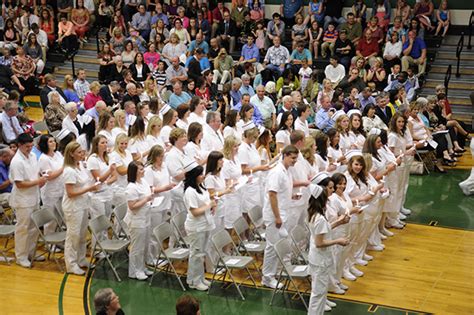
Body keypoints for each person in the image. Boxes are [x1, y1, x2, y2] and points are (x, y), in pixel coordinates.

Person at [307, 182, 349, 314]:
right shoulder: (319, 218)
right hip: (320, 260)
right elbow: (319, 243)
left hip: (318, 259)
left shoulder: (315, 213)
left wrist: (339, 222)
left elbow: (324, 230)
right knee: (317, 295)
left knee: (320, 291)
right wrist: (338, 241)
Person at [261, 144, 299, 289]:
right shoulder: (277, 172)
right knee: (272, 246)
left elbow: (282, 192)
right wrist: (277, 217)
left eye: (296, 158)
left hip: (283, 213)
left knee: (279, 245)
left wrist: (291, 196)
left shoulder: (287, 171)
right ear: (285, 156)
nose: (295, 161)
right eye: (293, 158)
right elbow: (272, 194)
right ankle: (267, 277)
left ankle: (274, 272)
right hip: (274, 216)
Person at [10, 133, 47, 268]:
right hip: (23, 200)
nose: (30, 149)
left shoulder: (32, 156)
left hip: (34, 196)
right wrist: (38, 181)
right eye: (27, 146)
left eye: (31, 146)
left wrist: (41, 178)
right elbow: (19, 184)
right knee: (23, 229)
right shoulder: (16, 162)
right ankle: (21, 256)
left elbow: (36, 173)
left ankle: (31, 252)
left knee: (33, 228)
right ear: (19, 146)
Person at [62, 141, 97, 275]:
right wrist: (89, 188)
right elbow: (71, 193)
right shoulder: (69, 171)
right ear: (71, 154)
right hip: (73, 207)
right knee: (73, 236)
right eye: (79, 152)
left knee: (82, 235)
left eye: (83, 151)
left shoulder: (80, 166)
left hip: (83, 204)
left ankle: (81, 259)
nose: (83, 154)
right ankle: (71, 264)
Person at [183, 160, 216, 291]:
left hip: (205, 224)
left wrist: (212, 206)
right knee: (196, 254)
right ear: (193, 175)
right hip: (196, 226)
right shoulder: (190, 191)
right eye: (201, 174)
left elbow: (206, 202)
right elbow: (195, 211)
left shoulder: (201, 187)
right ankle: (194, 281)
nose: (203, 176)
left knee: (201, 253)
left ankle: (200, 278)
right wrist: (209, 206)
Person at [125, 161, 153, 280]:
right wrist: (147, 199)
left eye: (143, 169)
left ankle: (142, 267)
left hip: (145, 217)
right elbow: (132, 206)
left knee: (145, 245)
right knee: (137, 247)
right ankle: (135, 271)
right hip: (137, 220)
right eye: (140, 169)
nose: (143, 171)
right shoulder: (131, 187)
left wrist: (150, 200)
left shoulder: (144, 182)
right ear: (134, 172)